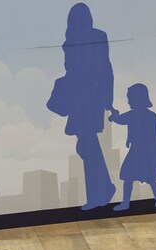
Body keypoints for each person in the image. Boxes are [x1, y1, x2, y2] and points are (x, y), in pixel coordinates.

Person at [47, 3, 116, 210]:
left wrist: (106, 99)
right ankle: (103, 188)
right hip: (87, 97)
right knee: (87, 143)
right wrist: (106, 99)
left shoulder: (75, 39)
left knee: (87, 144)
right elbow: (105, 68)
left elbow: (102, 67)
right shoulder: (82, 38)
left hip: (87, 97)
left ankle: (101, 191)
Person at [109, 83, 156, 211]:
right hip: (136, 151)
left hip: (146, 152)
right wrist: (114, 114)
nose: (129, 101)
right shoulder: (134, 114)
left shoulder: (148, 116)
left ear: (139, 98)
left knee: (148, 177)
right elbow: (120, 119)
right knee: (130, 176)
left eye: (130, 98)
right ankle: (127, 202)